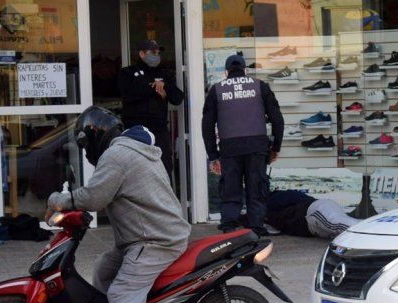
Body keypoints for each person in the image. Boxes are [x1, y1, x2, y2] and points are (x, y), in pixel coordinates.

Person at [47, 106, 190, 303]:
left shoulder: (117, 155)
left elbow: (95, 196)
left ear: (94, 135)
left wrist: (58, 199)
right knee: (103, 267)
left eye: (86, 144)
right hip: (144, 236)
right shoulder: (131, 148)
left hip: (155, 240)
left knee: (122, 292)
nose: (87, 151)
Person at [201, 54, 284, 235]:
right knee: (256, 188)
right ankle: (256, 227)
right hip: (257, 146)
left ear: (226, 72)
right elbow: (277, 119)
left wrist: (213, 155)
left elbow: (206, 125)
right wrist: (275, 147)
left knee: (231, 189)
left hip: (230, 148)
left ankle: (230, 227)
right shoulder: (260, 86)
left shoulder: (217, 90)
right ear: (245, 70)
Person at [118, 40, 184, 181]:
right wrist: (154, 88)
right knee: (136, 171)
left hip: (159, 130)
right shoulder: (128, 72)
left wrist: (165, 87)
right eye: (152, 52)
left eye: (158, 53)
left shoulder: (164, 74)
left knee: (164, 168)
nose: (156, 55)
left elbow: (178, 98)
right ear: (141, 53)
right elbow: (128, 94)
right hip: (135, 131)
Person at [264, 190, 361, 239]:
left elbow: (299, 198)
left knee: (337, 223)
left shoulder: (275, 198)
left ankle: (368, 233)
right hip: (313, 225)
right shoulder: (265, 215)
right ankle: (367, 232)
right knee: (338, 227)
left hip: (313, 210)